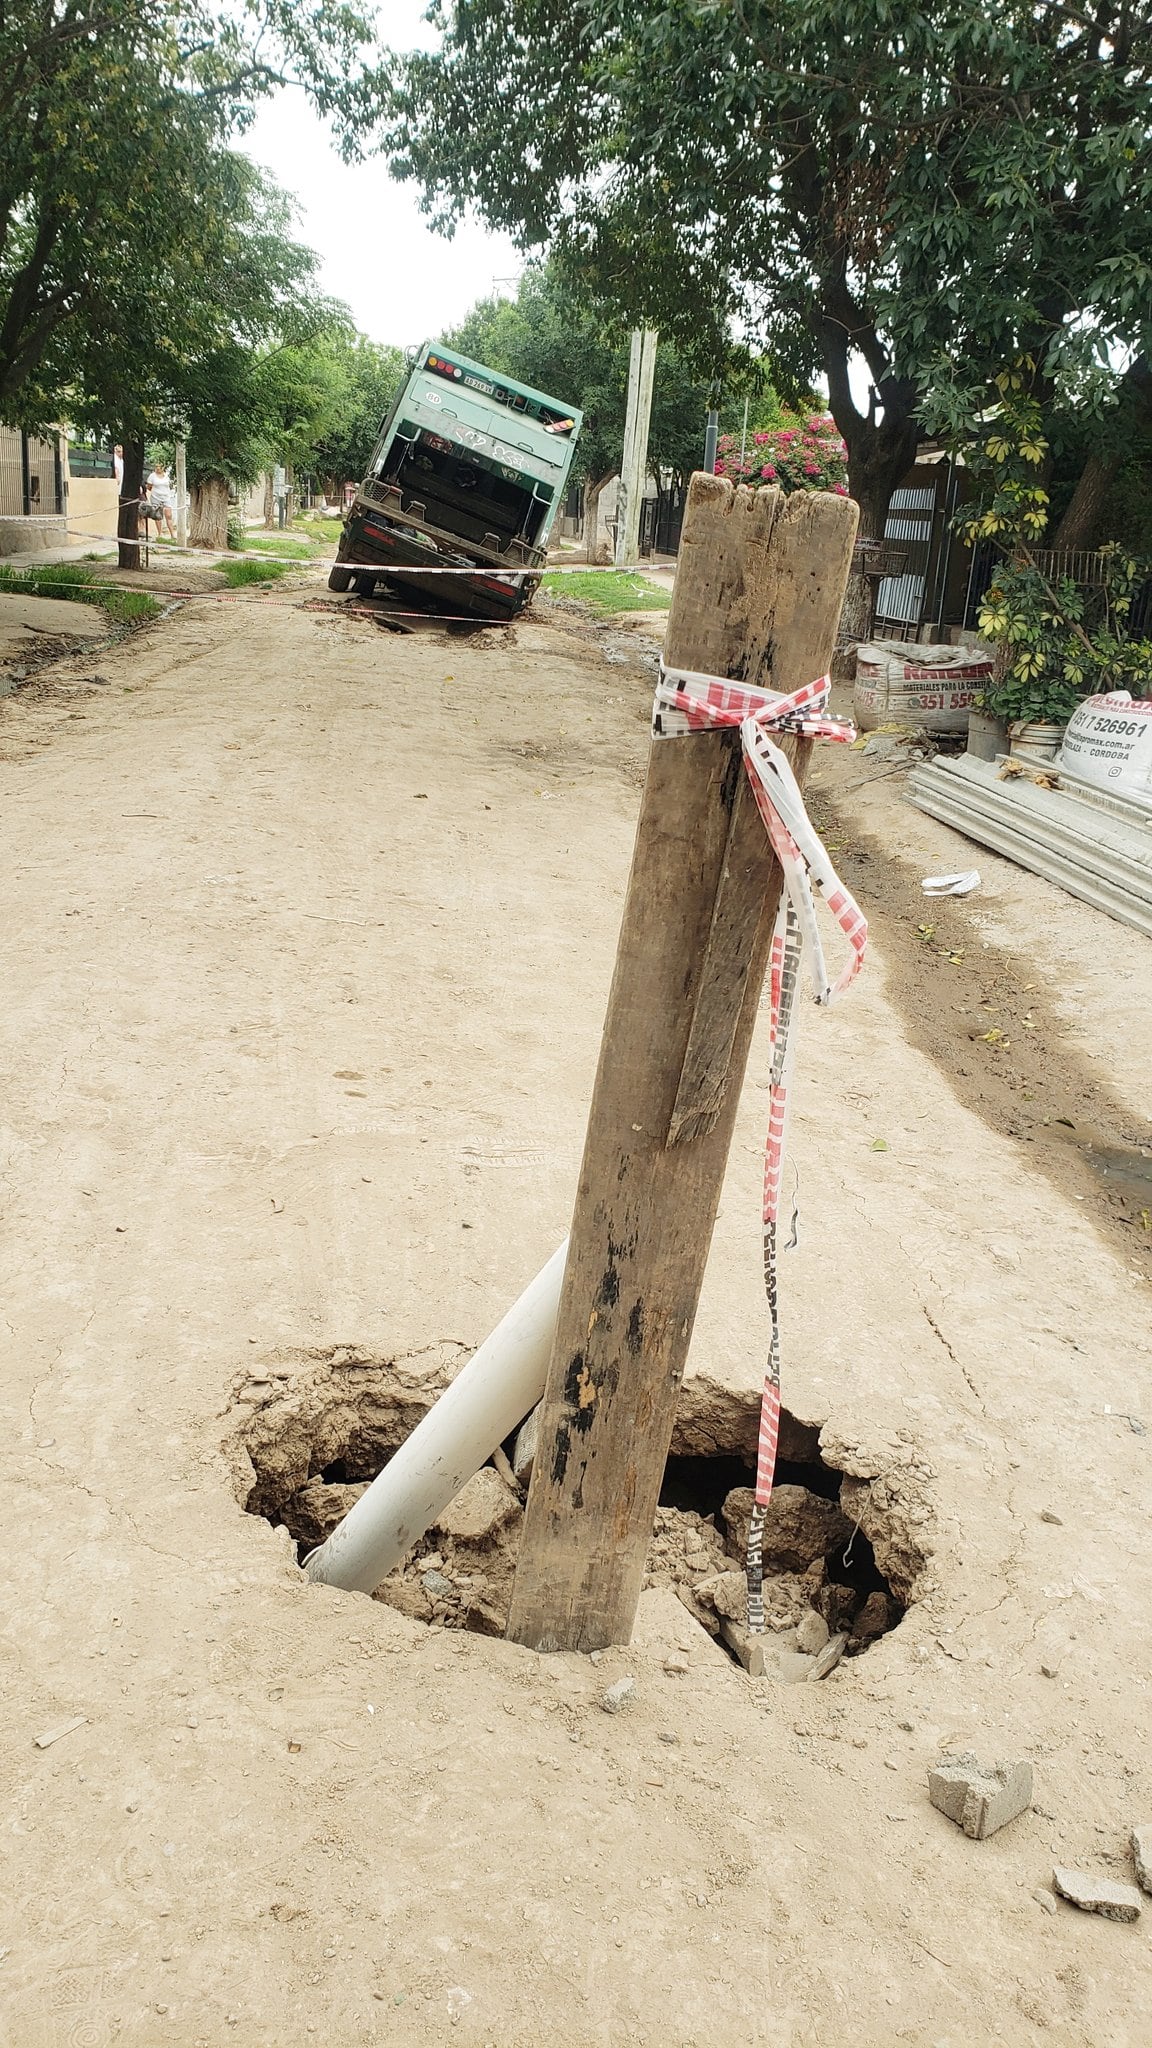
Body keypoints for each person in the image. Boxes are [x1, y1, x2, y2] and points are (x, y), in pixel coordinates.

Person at [146, 462, 177, 541]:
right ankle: (160, 534)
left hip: (166, 496)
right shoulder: (152, 476)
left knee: (168, 515)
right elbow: (149, 487)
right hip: (156, 497)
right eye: (156, 467)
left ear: (163, 468)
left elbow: (170, 485)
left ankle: (172, 534)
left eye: (159, 467)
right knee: (158, 516)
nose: (158, 468)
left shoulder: (167, 475)